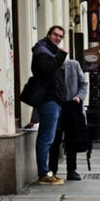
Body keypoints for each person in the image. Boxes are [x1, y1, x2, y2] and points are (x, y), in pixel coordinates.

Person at [31, 25, 68, 185]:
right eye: (55, 35)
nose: (58, 38)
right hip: (48, 100)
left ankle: (46, 172)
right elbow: (47, 69)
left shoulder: (48, 50)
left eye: (60, 36)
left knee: (49, 137)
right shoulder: (43, 51)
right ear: (48, 34)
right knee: (46, 138)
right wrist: (61, 55)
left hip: (53, 99)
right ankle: (44, 173)